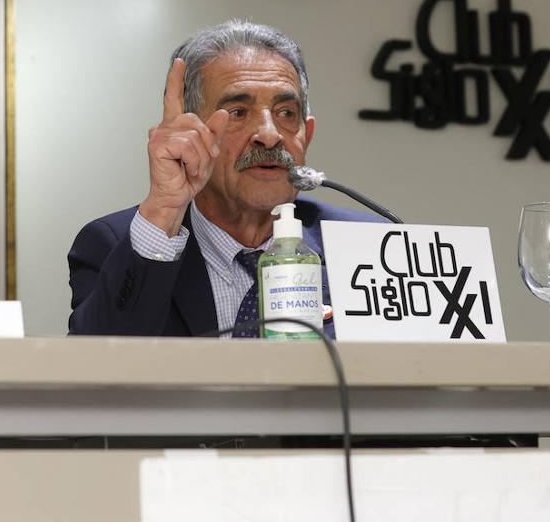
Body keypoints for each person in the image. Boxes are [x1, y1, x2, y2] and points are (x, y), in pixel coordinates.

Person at [68, 20, 378, 338]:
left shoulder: (368, 246)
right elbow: (94, 368)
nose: (270, 136)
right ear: (190, 134)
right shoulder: (115, 244)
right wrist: (164, 210)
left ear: (306, 135)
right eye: (238, 113)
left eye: (286, 113)